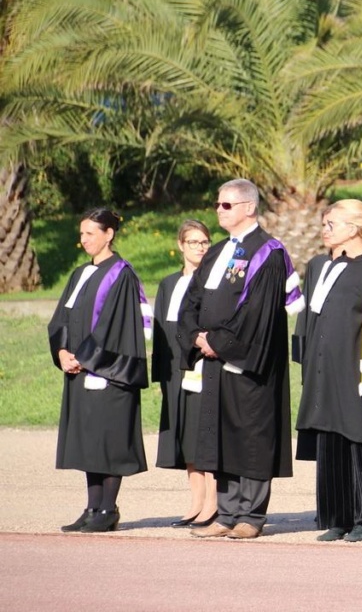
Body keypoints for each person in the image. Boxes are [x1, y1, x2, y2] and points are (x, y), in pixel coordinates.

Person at [182, 178, 304, 540]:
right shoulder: (218, 252)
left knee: (251, 433)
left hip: (248, 361)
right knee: (220, 433)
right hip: (214, 359)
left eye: (226, 205)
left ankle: (251, 513)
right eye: (218, 204)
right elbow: (193, 298)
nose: (219, 210)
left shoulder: (269, 252)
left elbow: (259, 312)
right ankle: (226, 512)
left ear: (249, 207)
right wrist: (195, 336)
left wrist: (218, 341)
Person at [293, 200, 362, 543]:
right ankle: (337, 516)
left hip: (360, 371)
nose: (324, 230)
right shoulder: (320, 266)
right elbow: (308, 320)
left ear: (354, 228)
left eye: (331, 224)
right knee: (332, 441)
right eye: (324, 224)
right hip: (325, 369)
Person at [50, 208, 150, 533]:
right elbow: (62, 317)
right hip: (79, 369)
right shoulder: (79, 274)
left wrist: (85, 357)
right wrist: (63, 351)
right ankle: (92, 506)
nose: (84, 240)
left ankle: (108, 508)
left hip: (109, 372)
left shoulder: (121, 275)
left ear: (109, 234)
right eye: (81, 234)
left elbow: (116, 327)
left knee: (108, 440)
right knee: (89, 441)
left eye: (90, 233)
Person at [153, 219, 217, 528]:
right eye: (193, 242)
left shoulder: (213, 282)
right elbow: (161, 331)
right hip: (174, 370)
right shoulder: (168, 284)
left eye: (204, 242)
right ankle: (195, 502)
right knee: (185, 435)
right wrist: (160, 374)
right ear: (180, 245)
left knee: (203, 433)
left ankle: (213, 503)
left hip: (201, 364)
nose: (200, 248)